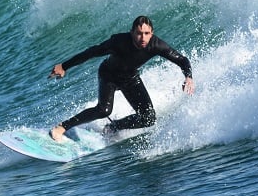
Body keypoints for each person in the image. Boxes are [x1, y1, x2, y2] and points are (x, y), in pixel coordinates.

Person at [48, 15, 195, 141]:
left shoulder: (156, 45)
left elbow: (182, 60)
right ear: (132, 33)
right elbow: (92, 52)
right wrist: (64, 66)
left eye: (146, 33)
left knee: (148, 118)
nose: (142, 38)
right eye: (138, 33)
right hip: (109, 75)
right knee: (104, 110)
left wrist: (188, 77)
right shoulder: (119, 42)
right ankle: (62, 127)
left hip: (130, 78)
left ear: (151, 33)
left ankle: (113, 127)